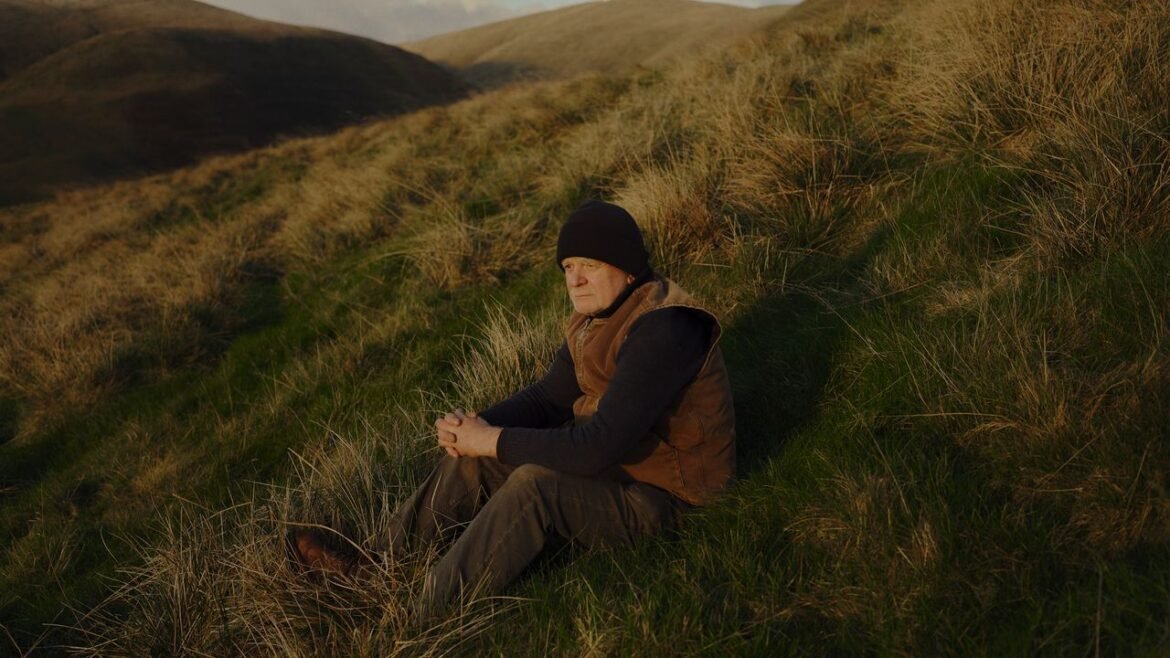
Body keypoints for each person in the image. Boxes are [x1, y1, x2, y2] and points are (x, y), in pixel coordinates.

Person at [288, 199, 736, 611]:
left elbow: (598, 447)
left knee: (534, 486)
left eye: (590, 266)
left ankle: (416, 611)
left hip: (667, 500)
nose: (574, 279)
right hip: (621, 473)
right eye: (568, 266)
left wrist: (494, 440)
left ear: (628, 269)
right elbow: (547, 398)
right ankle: (374, 570)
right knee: (473, 461)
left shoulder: (665, 329)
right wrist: (475, 429)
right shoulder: (595, 317)